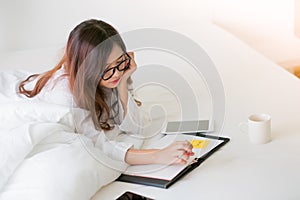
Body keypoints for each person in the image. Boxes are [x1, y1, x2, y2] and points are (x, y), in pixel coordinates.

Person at [18, 19, 194, 166]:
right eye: (106, 69)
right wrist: (157, 156)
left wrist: (123, 82)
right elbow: (100, 145)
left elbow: (136, 126)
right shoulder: (66, 96)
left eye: (120, 62)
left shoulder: (112, 76)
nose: (116, 73)